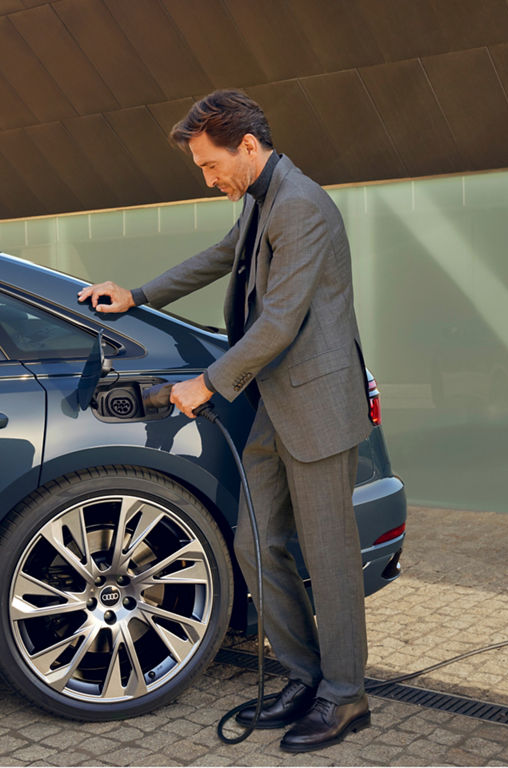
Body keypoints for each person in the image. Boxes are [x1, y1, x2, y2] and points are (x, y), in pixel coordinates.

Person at [78, 90, 373, 753]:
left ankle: (345, 697)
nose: (210, 180)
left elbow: (280, 321)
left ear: (247, 146)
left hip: (319, 408)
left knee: (329, 561)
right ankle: (303, 677)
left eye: (212, 167)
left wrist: (207, 383)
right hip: (279, 404)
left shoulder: (301, 206)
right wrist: (140, 295)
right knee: (254, 543)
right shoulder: (261, 200)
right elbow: (219, 258)